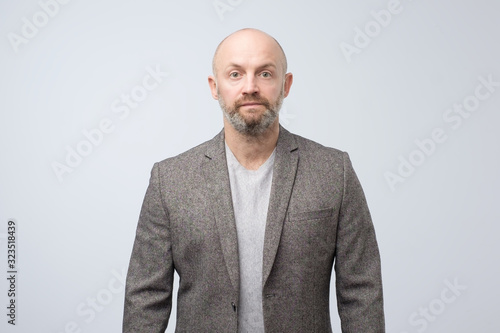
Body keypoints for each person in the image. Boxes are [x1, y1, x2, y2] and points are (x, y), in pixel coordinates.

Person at [123, 28, 385, 333]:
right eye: (235, 74)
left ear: (285, 85)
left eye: (265, 73)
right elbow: (145, 298)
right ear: (214, 86)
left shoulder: (334, 171)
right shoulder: (169, 180)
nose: (250, 87)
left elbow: (362, 292)